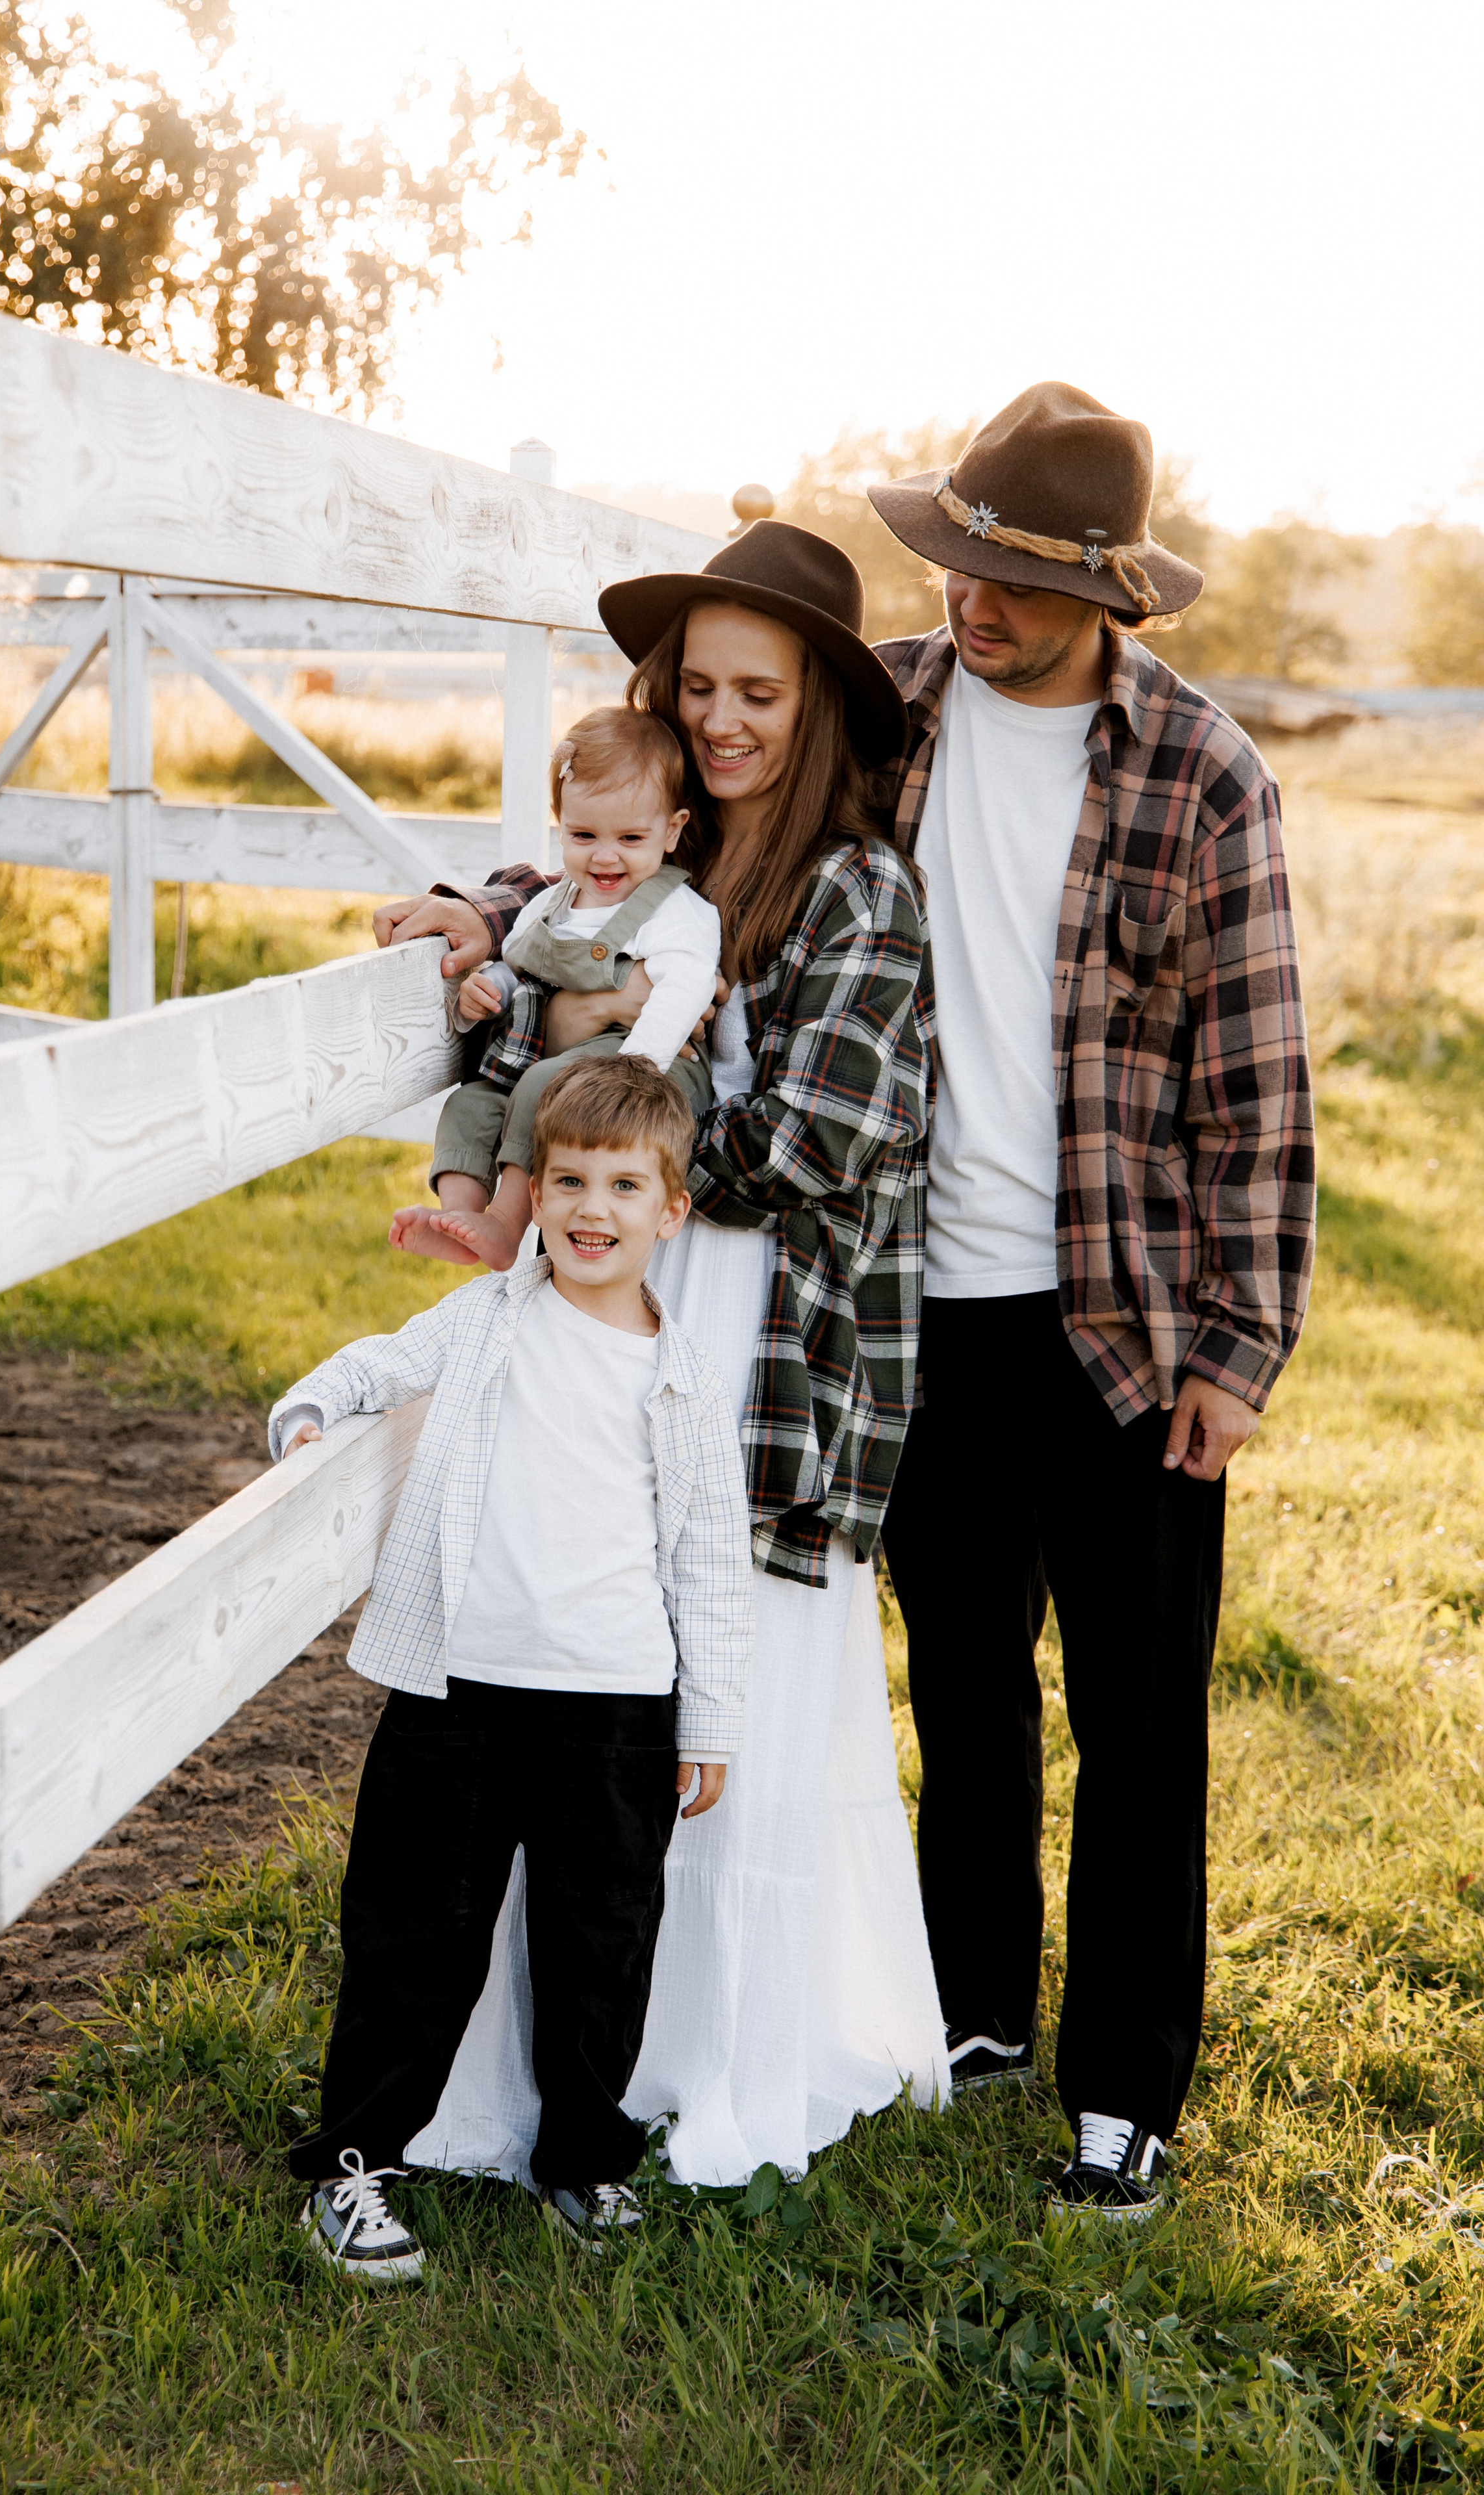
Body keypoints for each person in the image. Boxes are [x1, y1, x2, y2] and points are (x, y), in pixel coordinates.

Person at [371, 521, 950, 2191]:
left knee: (729, 1675)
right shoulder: (665, 858)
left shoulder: (853, 887)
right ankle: (566, 2060)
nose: (720, 717)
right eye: (694, 685)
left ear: (817, 703)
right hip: (616, 1305)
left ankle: (710, 2053)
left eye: (755, 690)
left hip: (761, 1336)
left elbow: (822, 1133)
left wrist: (600, 1107)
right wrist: (487, 915)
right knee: (578, 1655)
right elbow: (572, 891)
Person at [866, 381, 1316, 2219]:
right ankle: (970, 2015)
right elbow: (660, 828)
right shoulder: (871, 711)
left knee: (1138, 1723)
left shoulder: (1204, 770)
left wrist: (1238, 1349)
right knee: (961, 1688)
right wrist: (482, 905)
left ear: (1112, 592)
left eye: (1023, 581)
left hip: (1122, 1330)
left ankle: (1123, 2094)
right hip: (913, 1309)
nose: (979, 602)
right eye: (962, 560)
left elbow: (1258, 1085)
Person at [270, 1055, 754, 2278]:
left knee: (603, 1945)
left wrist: (712, 1722)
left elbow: (708, 1561)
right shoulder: (491, 1319)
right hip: (461, 1690)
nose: (594, 1209)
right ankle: (358, 2165)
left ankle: (585, 2162)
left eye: (625, 1186)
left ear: (670, 1209)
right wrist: (314, 1412)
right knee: (411, 1933)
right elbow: (382, 1361)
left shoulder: (684, 1379)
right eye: (571, 1180)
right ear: (535, 1195)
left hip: (620, 1710)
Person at [390, 705, 719, 1272]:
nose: (605, 855)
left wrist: (634, 1069)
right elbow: (516, 964)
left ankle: (505, 1223)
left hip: (646, 1061)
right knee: (472, 1102)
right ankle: (462, 1215)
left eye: (631, 837)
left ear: (673, 830)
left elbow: (685, 989)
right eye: (583, 834)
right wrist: (484, 991)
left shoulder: (675, 911)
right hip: (556, 1057)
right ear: (560, 822)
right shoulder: (553, 903)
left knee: (547, 1087)